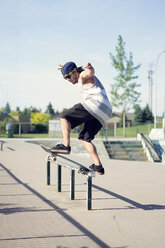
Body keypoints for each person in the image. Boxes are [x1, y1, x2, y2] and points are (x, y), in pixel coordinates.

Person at [51, 61, 112, 175]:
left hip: (96, 104)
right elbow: (73, 69)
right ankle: (98, 166)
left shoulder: (83, 75)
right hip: (106, 111)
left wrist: (91, 69)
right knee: (84, 138)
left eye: (69, 76)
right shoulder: (76, 73)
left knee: (64, 116)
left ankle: (65, 145)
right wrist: (64, 68)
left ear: (75, 72)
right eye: (65, 78)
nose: (68, 80)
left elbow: (89, 73)